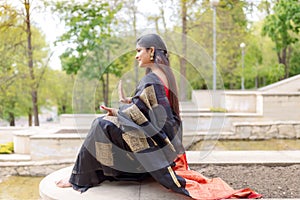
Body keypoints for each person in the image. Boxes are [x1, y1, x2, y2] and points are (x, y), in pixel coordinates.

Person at [56, 33, 262, 199]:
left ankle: (78, 179)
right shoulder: (164, 76)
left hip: (155, 145)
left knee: (100, 125)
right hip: (163, 146)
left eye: (139, 51)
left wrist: (118, 113)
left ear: (151, 51)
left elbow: (152, 118)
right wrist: (130, 103)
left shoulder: (153, 80)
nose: (136, 56)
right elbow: (153, 111)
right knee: (105, 123)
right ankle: (105, 172)